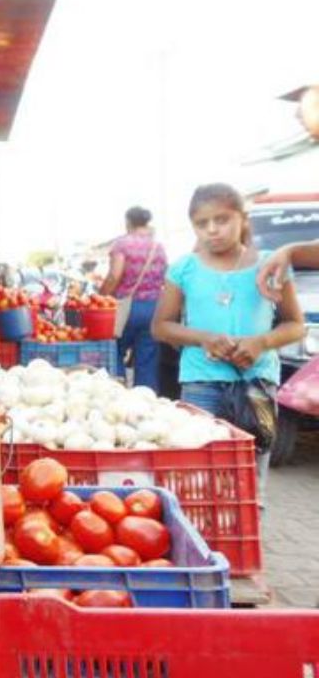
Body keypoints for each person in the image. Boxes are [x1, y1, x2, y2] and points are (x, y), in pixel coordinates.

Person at [152, 183, 305, 493]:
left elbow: (295, 325)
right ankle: (206, 539)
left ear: (242, 219)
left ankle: (248, 537)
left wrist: (260, 343)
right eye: (202, 223)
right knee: (198, 479)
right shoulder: (184, 269)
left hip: (258, 385)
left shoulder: (270, 265)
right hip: (201, 383)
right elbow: (161, 326)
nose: (212, 230)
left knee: (250, 476)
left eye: (222, 220)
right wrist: (204, 338)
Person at [100, 206, 168, 391]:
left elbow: (115, 275)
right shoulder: (158, 246)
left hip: (127, 308)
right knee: (147, 358)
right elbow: (165, 277)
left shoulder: (122, 244)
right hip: (154, 308)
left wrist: (101, 296)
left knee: (115, 351)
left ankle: (117, 394)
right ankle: (145, 402)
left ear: (128, 221)